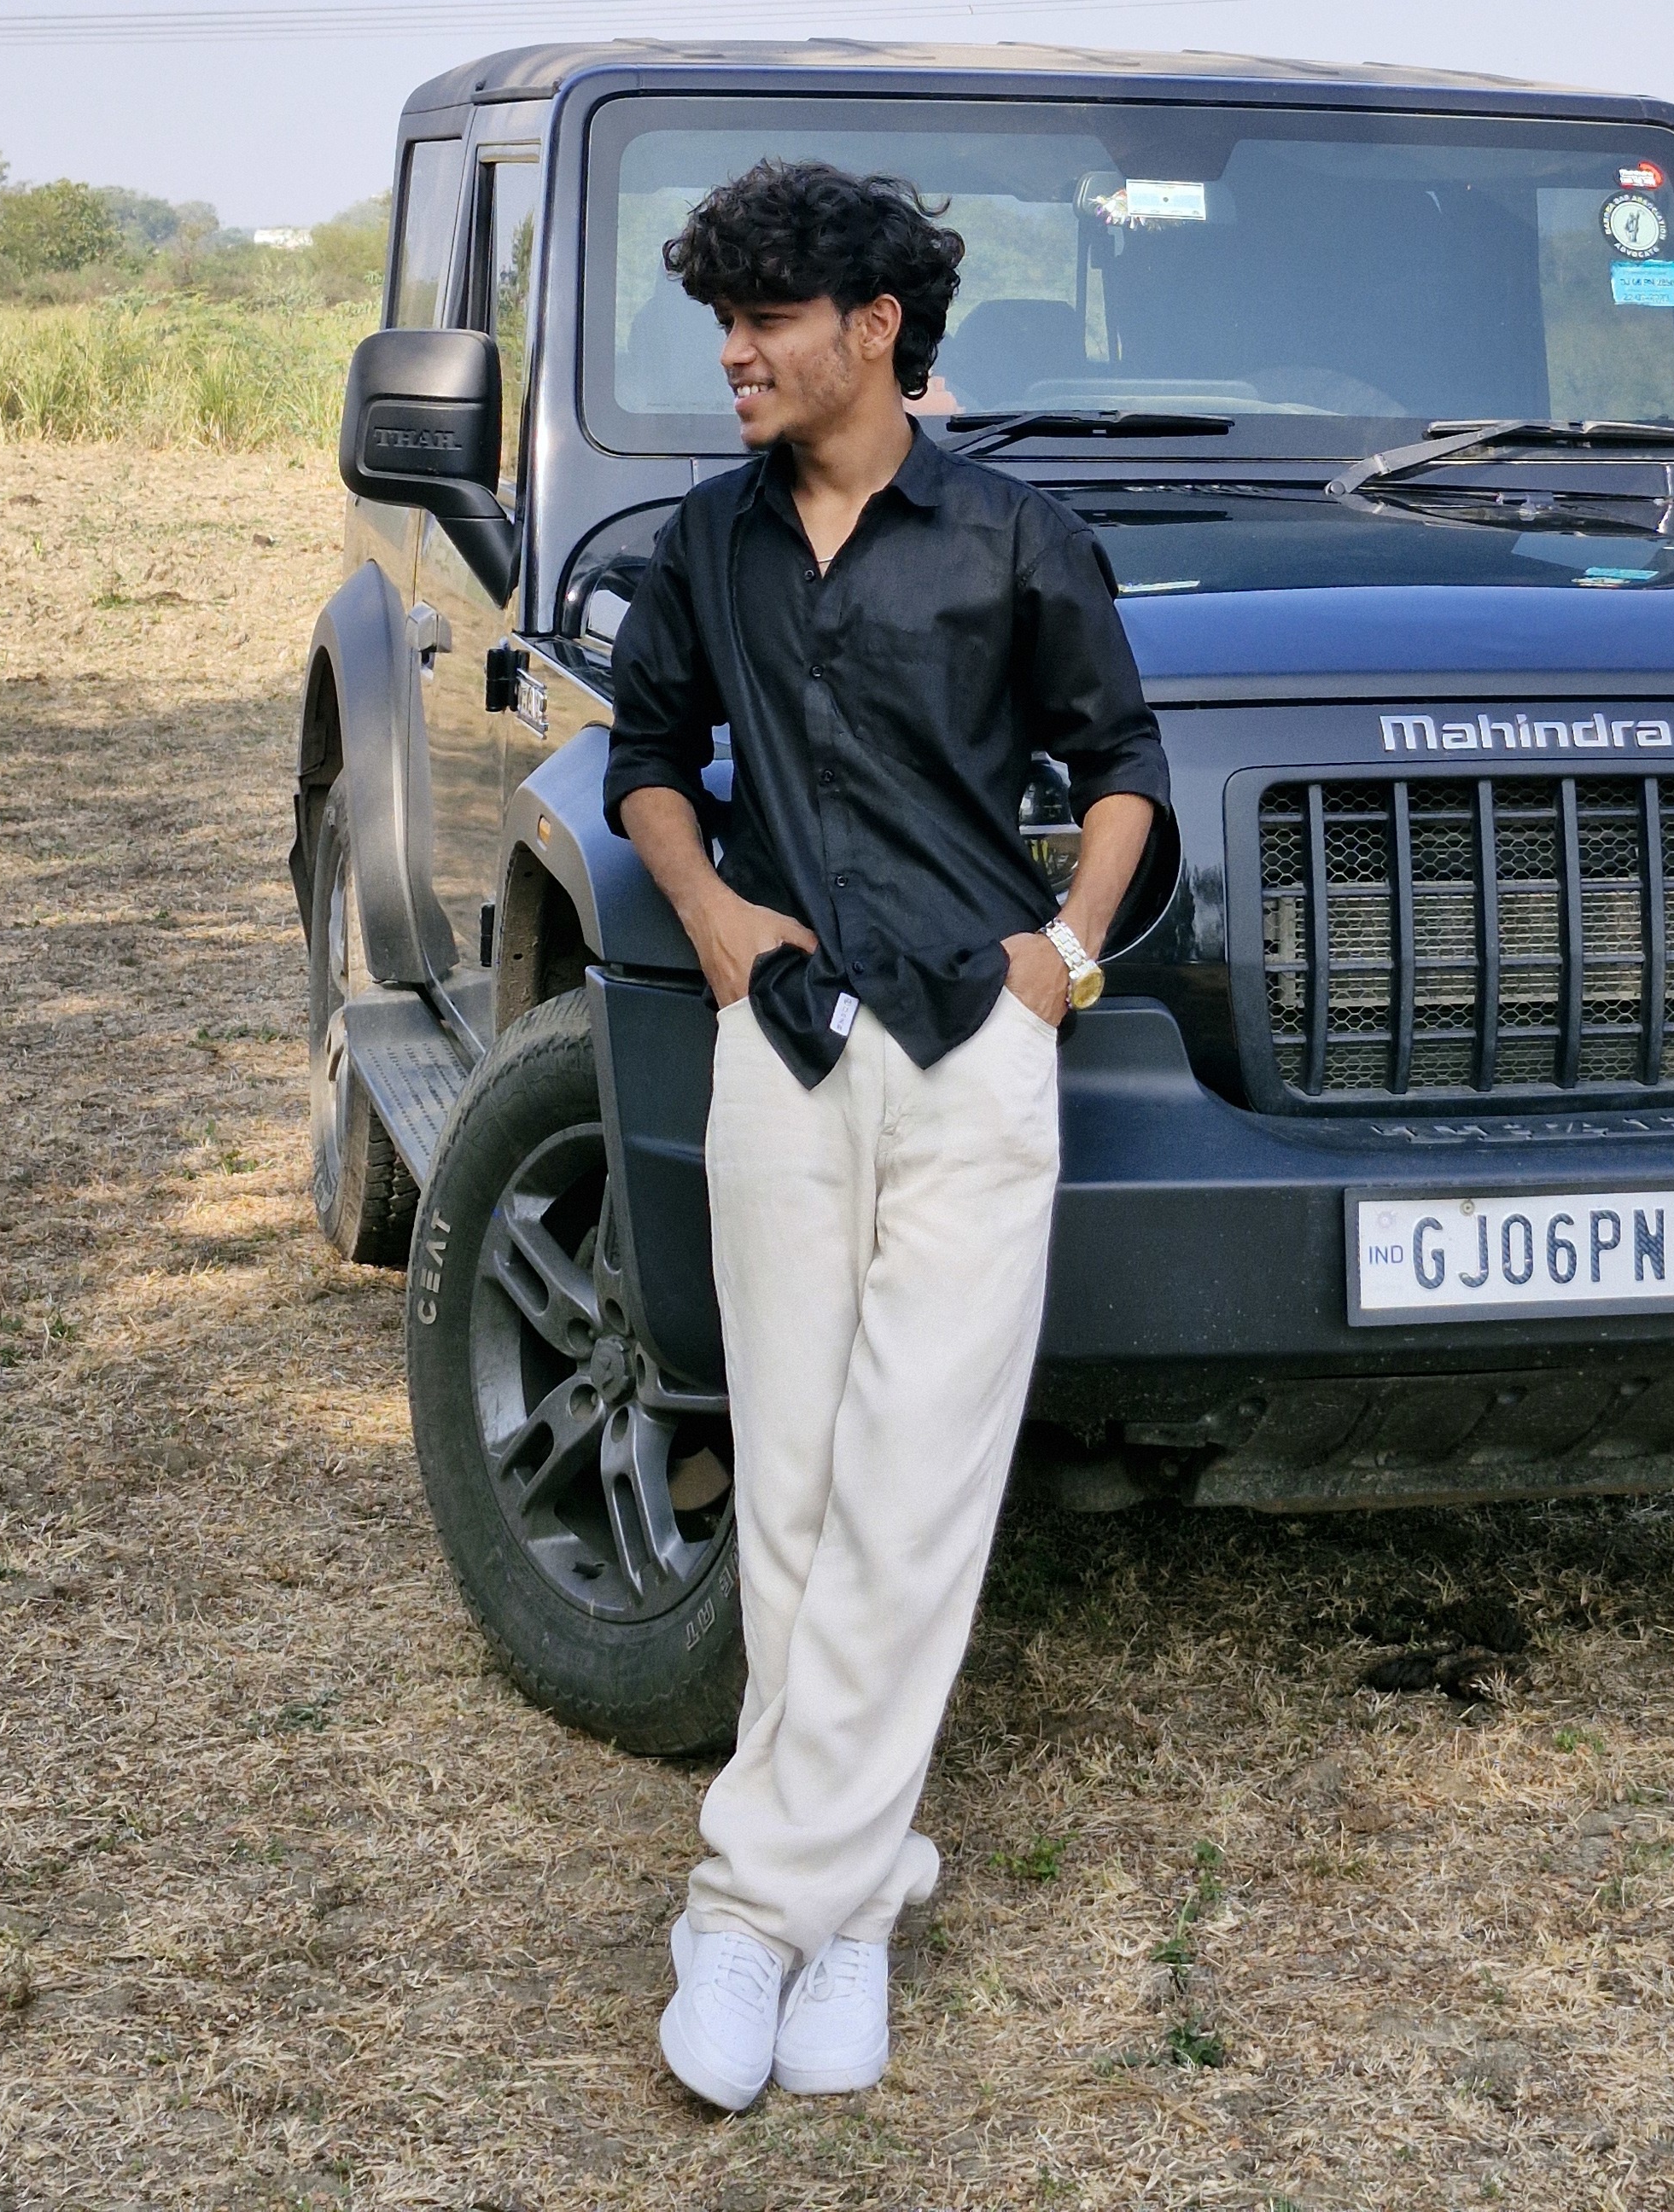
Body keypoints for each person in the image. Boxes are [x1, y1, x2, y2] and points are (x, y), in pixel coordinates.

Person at [603, 159, 1165, 2112]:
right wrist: (710, 912)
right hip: (782, 1037)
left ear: (875, 330)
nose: (735, 354)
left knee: (916, 1480)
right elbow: (646, 758)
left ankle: (755, 1908)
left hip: (970, 1045)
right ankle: (855, 1898)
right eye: (725, 320)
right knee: (793, 1475)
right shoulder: (707, 540)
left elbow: (1123, 765)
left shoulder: (1015, 535)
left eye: (766, 320)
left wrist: (1064, 956)